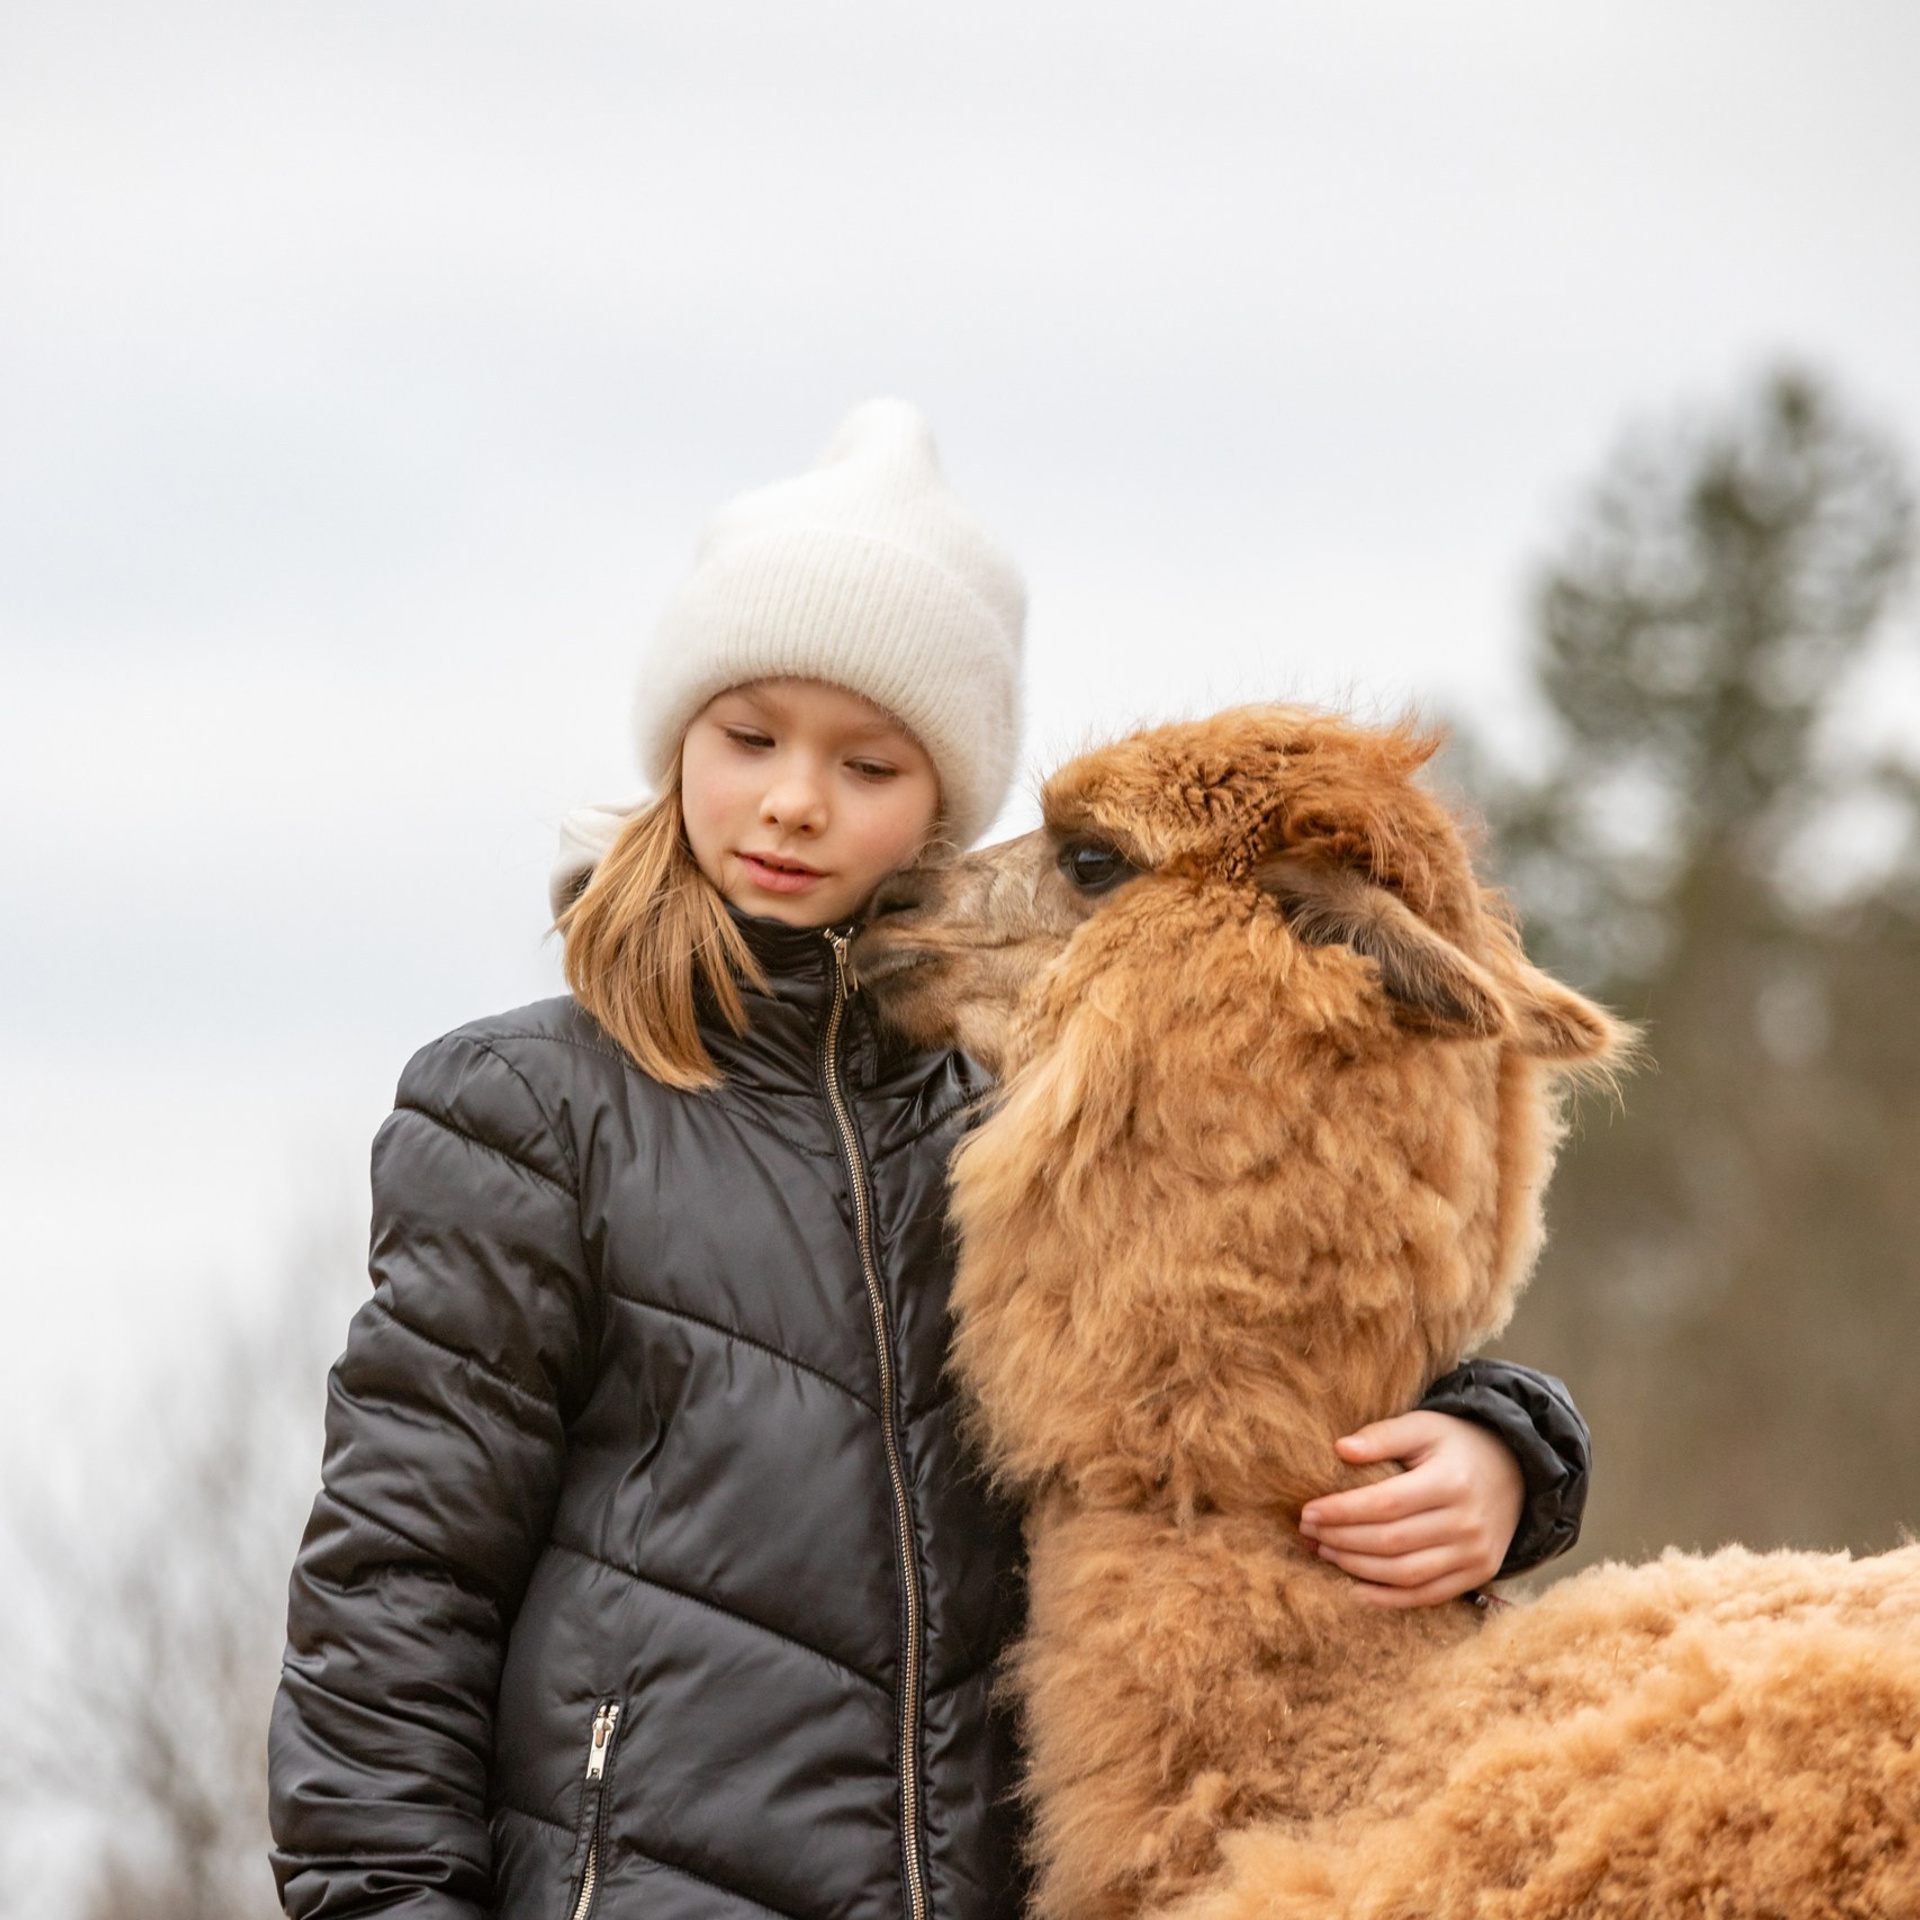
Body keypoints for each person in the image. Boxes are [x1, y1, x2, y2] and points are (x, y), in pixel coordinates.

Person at [267, 401, 1591, 1920]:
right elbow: (396, 1590)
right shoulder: (531, 1109)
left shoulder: (1027, 1121)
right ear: (679, 739)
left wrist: (1508, 1449)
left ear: (945, 808)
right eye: (749, 737)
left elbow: (1251, 1413)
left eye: (868, 764)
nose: (792, 801)